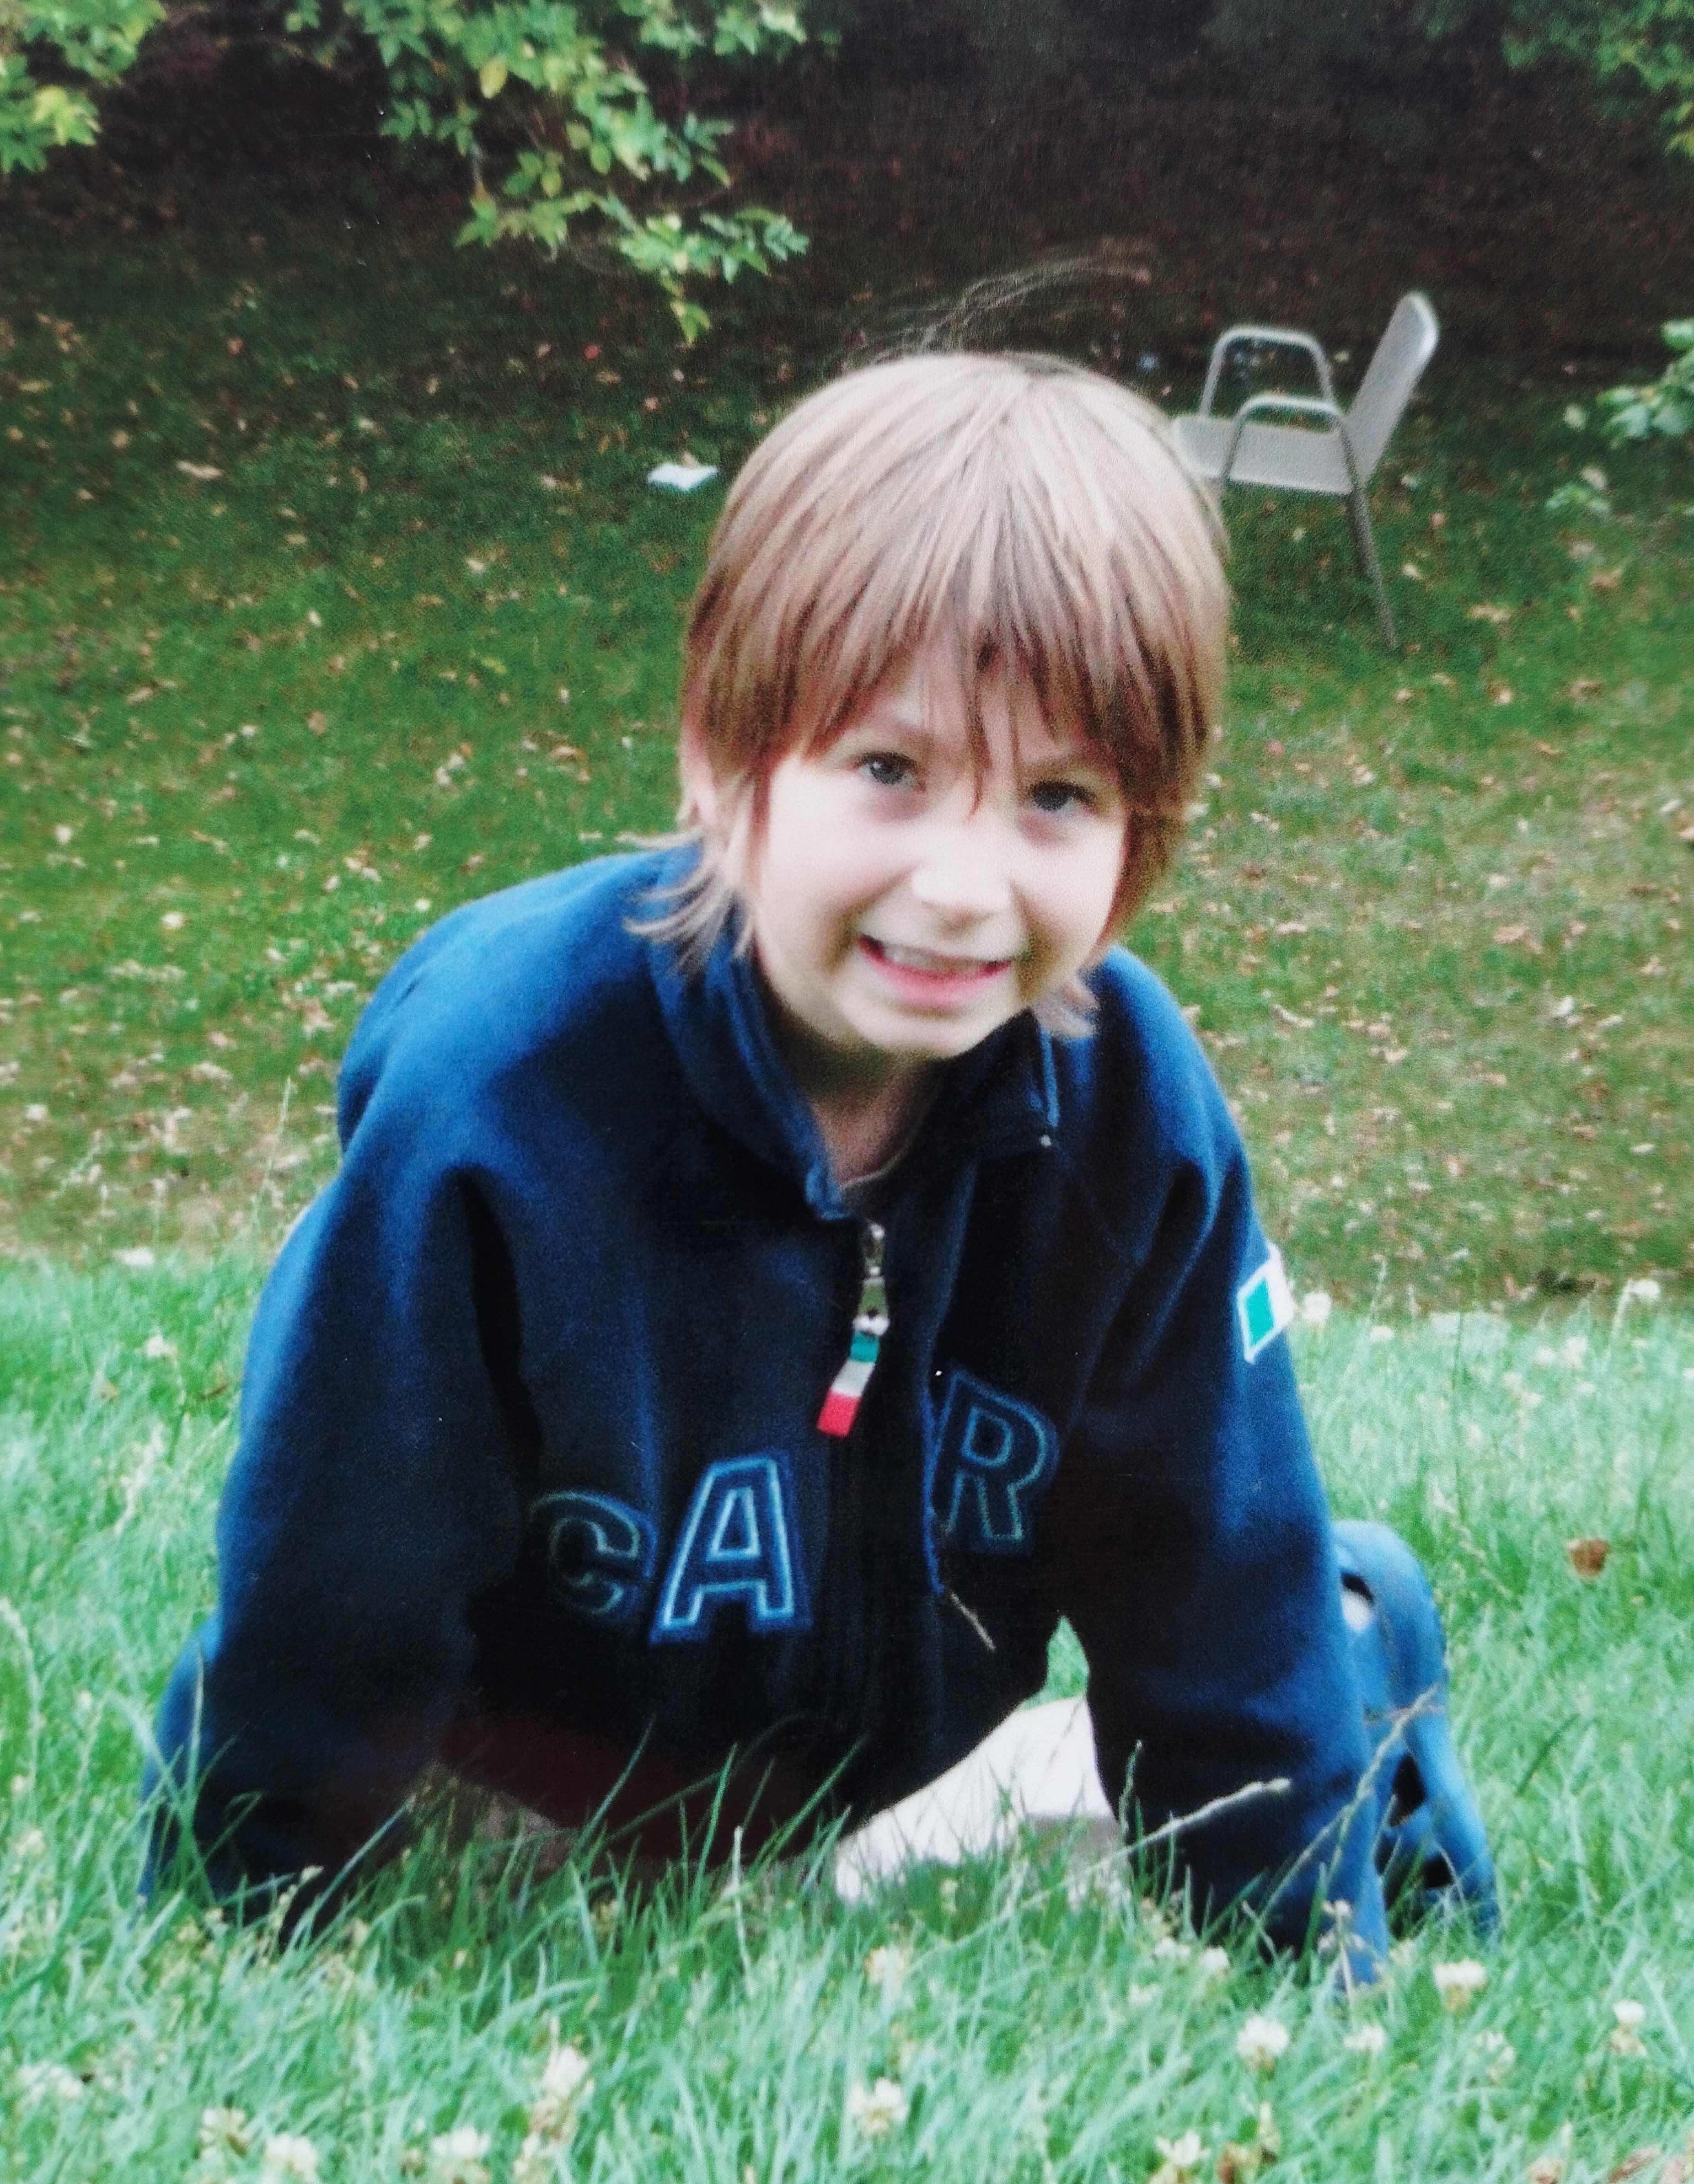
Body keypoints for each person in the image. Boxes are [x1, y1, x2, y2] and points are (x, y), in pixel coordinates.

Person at [149, 352, 1493, 1958]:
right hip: (536, 1787)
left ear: (1145, 831)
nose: (962, 887)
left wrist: (1306, 1971)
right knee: (502, 1882)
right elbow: (328, 1593)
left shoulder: (1136, 1121)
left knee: (1294, 1648)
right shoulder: (494, 1099)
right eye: (889, 772)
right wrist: (238, 1927)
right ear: (726, 762)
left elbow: (1211, 1598)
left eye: (1058, 796)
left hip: (895, 1788)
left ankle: (1368, 1656)